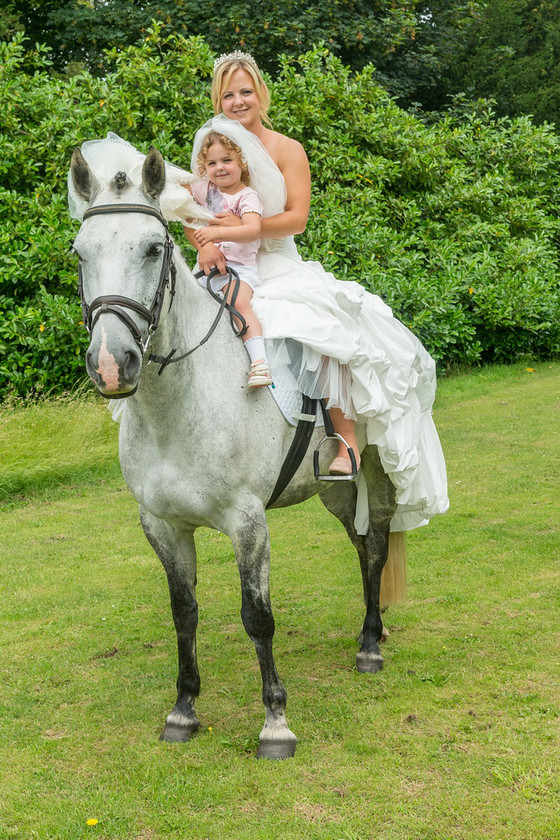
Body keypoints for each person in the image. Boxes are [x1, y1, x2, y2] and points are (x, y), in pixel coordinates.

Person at [187, 51, 449, 528]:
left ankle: (343, 442)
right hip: (223, 261)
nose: (238, 100)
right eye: (228, 93)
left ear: (261, 93)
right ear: (217, 99)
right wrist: (204, 244)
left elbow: (296, 219)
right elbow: (189, 202)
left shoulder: (288, 149)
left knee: (320, 329)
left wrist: (231, 231)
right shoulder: (212, 144)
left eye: (246, 91)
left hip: (275, 261)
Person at [183, 129, 273, 387]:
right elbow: (180, 198)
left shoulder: (247, 196)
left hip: (238, 269)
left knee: (237, 303)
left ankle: (259, 363)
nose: (219, 168)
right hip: (206, 271)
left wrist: (216, 233)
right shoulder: (206, 189)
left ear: (241, 163)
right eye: (212, 163)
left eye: (226, 161)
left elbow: (252, 230)